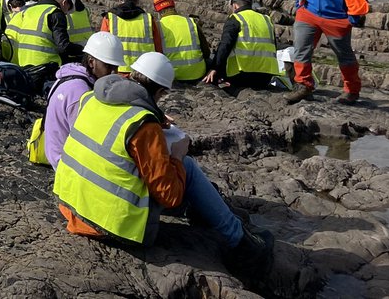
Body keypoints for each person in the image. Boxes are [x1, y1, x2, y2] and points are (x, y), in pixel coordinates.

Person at [53, 52, 274, 280]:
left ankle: (210, 215)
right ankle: (240, 241)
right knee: (185, 167)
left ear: (129, 75)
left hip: (70, 208)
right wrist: (177, 156)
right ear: (160, 92)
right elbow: (170, 196)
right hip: (112, 225)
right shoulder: (142, 125)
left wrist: (155, 117)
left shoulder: (91, 99)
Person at [43, 32, 124, 169]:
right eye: (109, 66)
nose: (113, 73)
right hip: (65, 163)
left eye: (115, 67)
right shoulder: (79, 91)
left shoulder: (71, 76)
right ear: (92, 62)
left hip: (58, 154)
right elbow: (85, 136)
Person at [203, 0, 281, 93]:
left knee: (211, 61)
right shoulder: (266, 19)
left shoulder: (236, 18)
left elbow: (225, 46)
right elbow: (274, 46)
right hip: (266, 77)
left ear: (234, 5)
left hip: (242, 76)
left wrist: (214, 68)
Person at [6, 0, 80, 89]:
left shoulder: (28, 10)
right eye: (68, 9)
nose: (67, 13)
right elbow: (63, 47)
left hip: (24, 66)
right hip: (46, 69)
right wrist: (83, 50)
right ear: (64, 3)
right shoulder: (56, 13)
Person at [100, 0, 162, 71]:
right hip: (144, 71)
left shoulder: (109, 18)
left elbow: (103, 47)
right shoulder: (148, 18)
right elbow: (158, 47)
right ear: (137, 1)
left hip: (118, 70)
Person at [153, 0, 209, 83]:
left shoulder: (158, 26)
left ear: (157, 10)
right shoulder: (191, 22)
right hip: (198, 74)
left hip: (172, 76)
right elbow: (206, 52)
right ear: (173, 5)